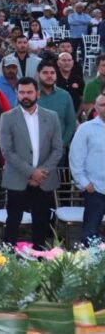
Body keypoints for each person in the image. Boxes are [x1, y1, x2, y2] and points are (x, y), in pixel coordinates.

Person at [0, 77, 63, 249]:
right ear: (17, 94)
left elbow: (57, 149)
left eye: (29, 92)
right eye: (21, 92)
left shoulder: (52, 117)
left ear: (38, 94)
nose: (25, 96)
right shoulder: (7, 118)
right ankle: (9, 262)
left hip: (44, 179)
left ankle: (39, 262)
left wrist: (41, 172)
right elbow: (7, 151)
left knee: (41, 225)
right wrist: (30, 172)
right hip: (17, 179)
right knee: (13, 223)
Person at [69, 95, 105, 245]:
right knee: (90, 234)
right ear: (95, 108)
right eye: (102, 104)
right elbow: (75, 159)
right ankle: (90, 266)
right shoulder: (86, 129)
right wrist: (85, 184)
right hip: (95, 189)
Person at [35, 61, 76, 147]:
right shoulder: (29, 95)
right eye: (45, 73)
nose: (49, 76)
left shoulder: (65, 96)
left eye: (52, 73)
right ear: (38, 74)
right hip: (34, 149)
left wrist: (62, 143)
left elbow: (71, 123)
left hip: (59, 149)